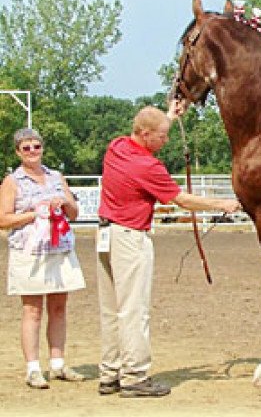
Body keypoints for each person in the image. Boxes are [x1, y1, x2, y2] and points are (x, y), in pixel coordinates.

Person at [96, 100, 241, 398]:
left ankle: (110, 373)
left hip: (107, 235)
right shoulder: (148, 166)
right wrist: (222, 203)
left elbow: (151, 127)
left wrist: (170, 117)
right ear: (146, 134)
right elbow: (182, 200)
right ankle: (135, 375)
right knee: (134, 310)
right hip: (130, 238)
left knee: (112, 309)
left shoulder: (118, 147)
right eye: (163, 135)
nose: (167, 140)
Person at [0, 128, 86, 389]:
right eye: (26, 148)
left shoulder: (56, 177)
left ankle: (58, 363)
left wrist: (63, 203)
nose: (32, 152)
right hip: (29, 252)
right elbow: (3, 220)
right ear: (18, 152)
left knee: (59, 307)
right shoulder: (12, 182)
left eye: (36, 146)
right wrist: (34, 213)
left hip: (59, 249)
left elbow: (74, 213)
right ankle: (33, 367)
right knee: (32, 309)